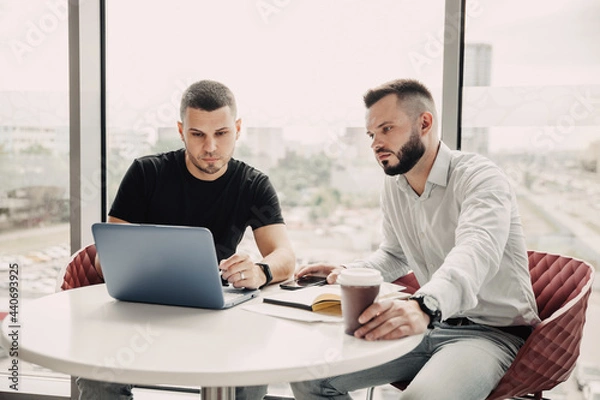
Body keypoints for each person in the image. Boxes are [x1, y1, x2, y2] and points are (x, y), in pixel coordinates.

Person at [290, 79, 540, 400]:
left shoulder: (481, 178)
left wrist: (425, 305)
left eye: (387, 129)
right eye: (372, 134)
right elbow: (394, 255)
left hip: (490, 334)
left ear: (424, 123)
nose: (375, 144)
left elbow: (475, 252)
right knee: (309, 379)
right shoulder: (395, 186)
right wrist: (349, 272)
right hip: (432, 326)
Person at [79, 79, 296, 400]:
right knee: (98, 378)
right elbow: (105, 257)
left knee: (251, 375)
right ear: (181, 131)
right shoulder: (145, 173)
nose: (210, 148)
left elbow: (285, 256)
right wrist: (116, 259)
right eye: (197, 135)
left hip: (217, 317)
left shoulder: (253, 184)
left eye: (221, 134)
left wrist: (261, 271)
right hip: (143, 311)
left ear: (237, 128)